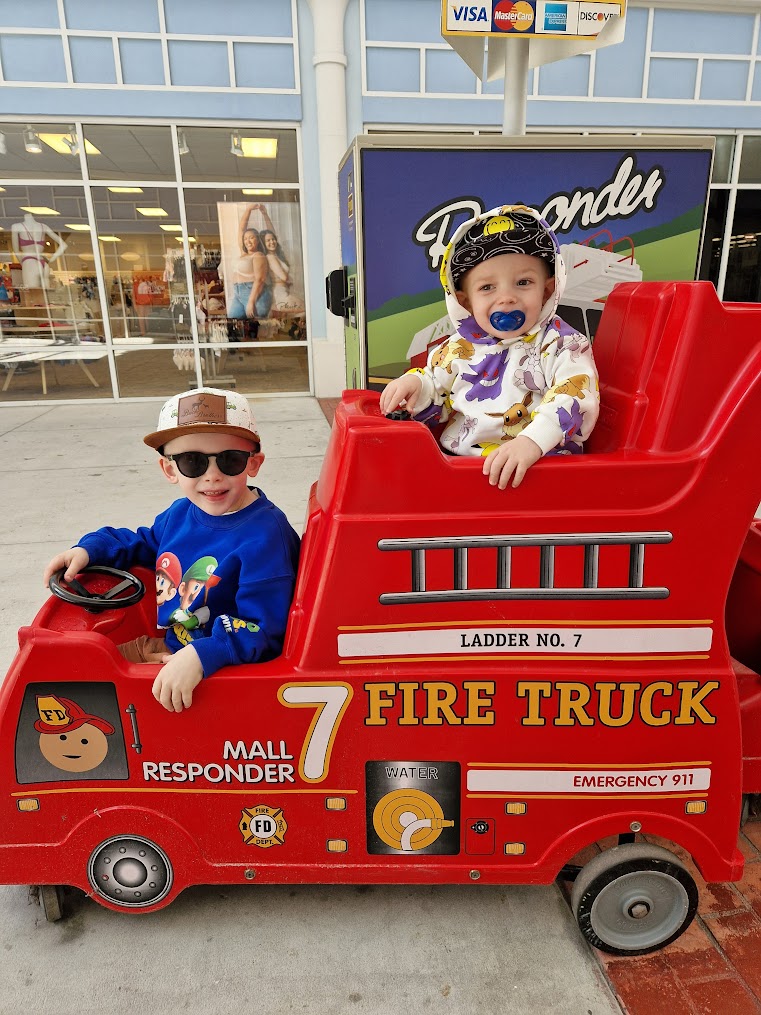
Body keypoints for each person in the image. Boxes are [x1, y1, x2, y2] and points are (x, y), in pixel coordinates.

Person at [42, 387, 300, 714]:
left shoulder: (267, 536)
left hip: (221, 668)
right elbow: (143, 542)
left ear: (254, 464)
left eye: (230, 460)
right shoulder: (180, 514)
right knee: (74, 670)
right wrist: (90, 550)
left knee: (103, 697)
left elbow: (265, 630)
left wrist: (203, 655)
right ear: (169, 470)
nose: (213, 476)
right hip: (170, 646)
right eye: (192, 462)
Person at [379, 204, 599, 490]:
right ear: (465, 301)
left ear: (545, 290)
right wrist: (415, 385)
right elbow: (436, 390)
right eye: (487, 288)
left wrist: (532, 442)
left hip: (537, 472)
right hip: (459, 471)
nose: (506, 298)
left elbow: (575, 395)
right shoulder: (459, 347)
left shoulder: (562, 344)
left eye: (523, 282)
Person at [225, 204, 272, 322]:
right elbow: (241, 229)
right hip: (238, 293)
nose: (247, 241)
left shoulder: (259, 255)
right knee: (233, 325)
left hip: (253, 293)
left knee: (256, 330)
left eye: (251, 238)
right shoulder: (244, 253)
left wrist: (251, 301)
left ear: (257, 240)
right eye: (246, 239)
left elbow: (260, 279)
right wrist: (248, 209)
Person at [11, 213, 68, 289]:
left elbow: (16, 251)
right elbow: (63, 245)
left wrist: (23, 263)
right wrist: (51, 259)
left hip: (29, 262)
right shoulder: (43, 226)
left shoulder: (16, 226)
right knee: (45, 297)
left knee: (32, 296)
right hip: (44, 264)